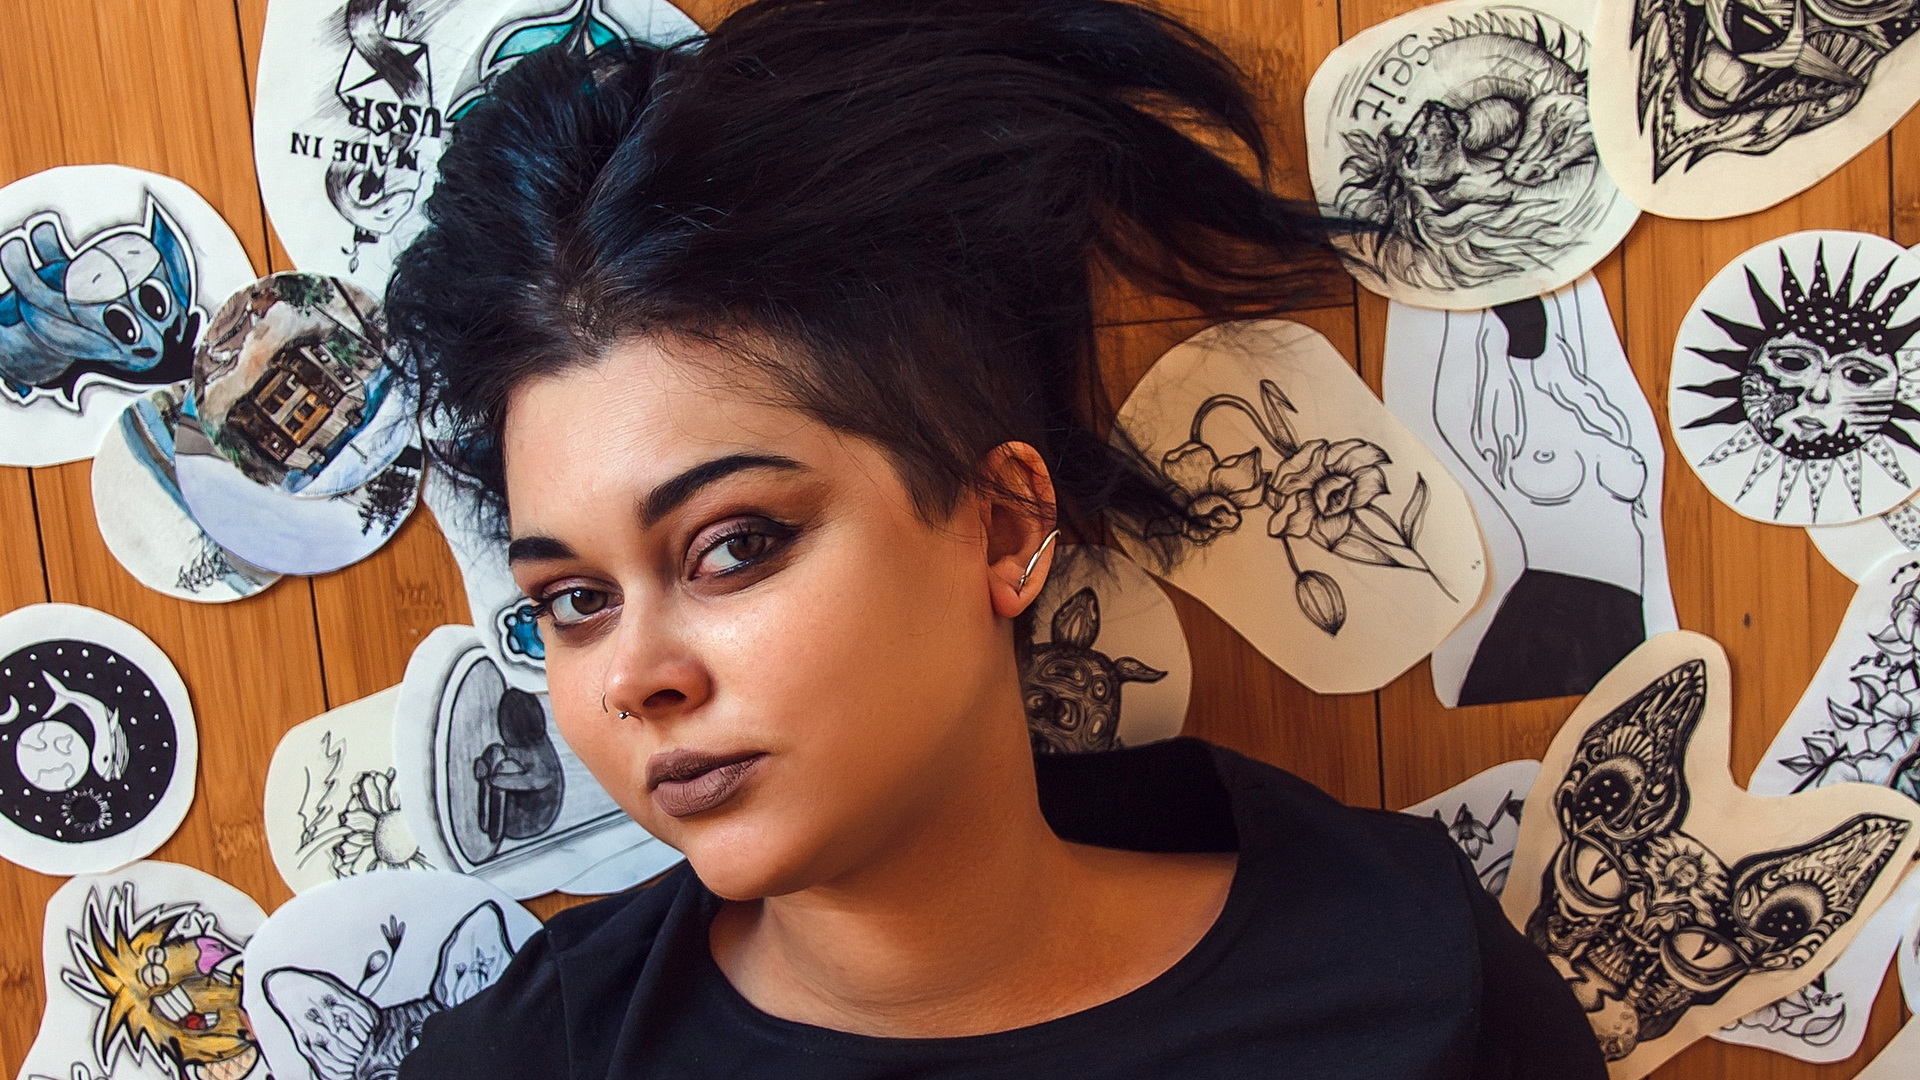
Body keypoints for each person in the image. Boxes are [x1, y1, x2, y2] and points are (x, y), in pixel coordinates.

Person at [385, 1, 1607, 1076]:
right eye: (574, 600)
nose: (639, 678)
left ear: (1007, 526)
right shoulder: (527, 1060)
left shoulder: (1404, 978)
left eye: (735, 544)